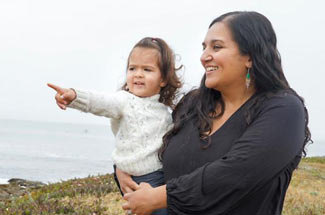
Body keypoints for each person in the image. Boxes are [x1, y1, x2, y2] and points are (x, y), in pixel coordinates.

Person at [118, 11, 311, 215]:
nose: (204, 56)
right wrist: (123, 168)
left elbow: (238, 173)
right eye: (204, 47)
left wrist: (159, 197)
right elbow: (149, 139)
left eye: (216, 47)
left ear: (250, 57)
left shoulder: (284, 110)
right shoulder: (192, 104)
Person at [48, 37, 182, 215]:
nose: (138, 74)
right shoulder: (124, 100)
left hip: (160, 176)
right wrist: (74, 96)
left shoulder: (163, 111)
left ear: (163, 79)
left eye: (147, 69)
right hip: (138, 177)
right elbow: (100, 102)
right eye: (132, 68)